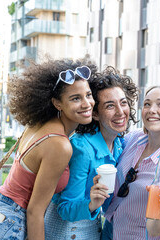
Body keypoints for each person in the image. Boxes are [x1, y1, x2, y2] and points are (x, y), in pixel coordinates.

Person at [0, 58, 96, 240]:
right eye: (75, 98)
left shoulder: (38, 124)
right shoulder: (59, 145)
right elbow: (35, 211)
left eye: (89, 95)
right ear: (57, 103)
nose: (87, 104)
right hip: (13, 222)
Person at [44, 66, 138, 239]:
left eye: (123, 102)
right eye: (110, 105)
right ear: (94, 113)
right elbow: (65, 208)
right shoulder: (82, 148)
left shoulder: (119, 144)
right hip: (67, 231)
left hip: (92, 228)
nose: (120, 112)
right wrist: (92, 204)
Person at [93, 85, 160, 239]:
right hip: (111, 229)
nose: (151, 110)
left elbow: (156, 231)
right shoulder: (134, 138)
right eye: (147, 104)